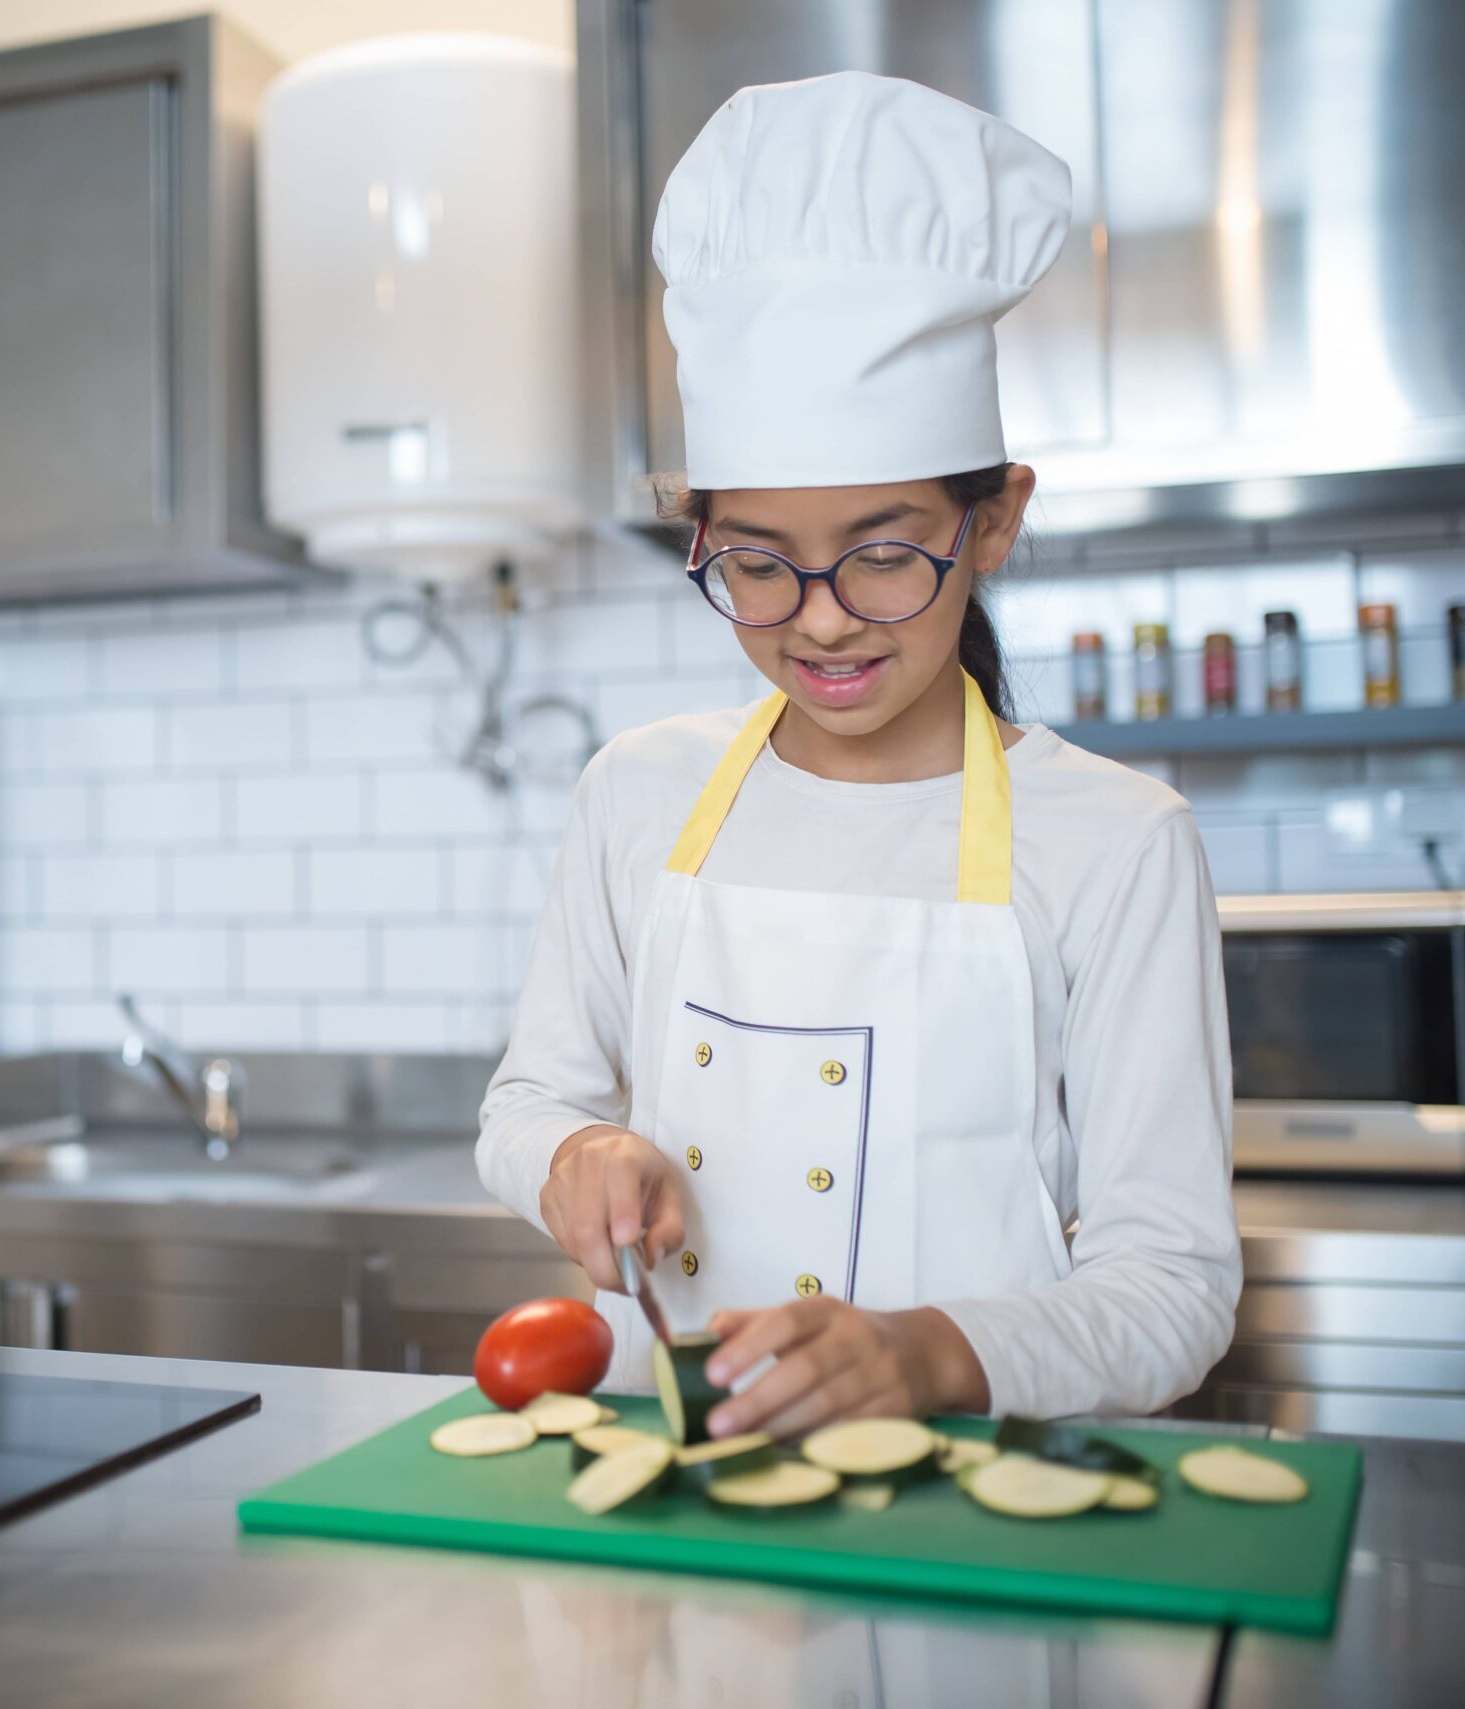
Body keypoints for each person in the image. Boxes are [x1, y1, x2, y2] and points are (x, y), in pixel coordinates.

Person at [476, 72, 1240, 1438]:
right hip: (696, 1503)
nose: (821, 618)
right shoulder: (638, 792)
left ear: (994, 520)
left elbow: (1174, 1280)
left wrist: (931, 1355)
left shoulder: (1117, 840)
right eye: (759, 562)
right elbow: (528, 1099)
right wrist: (574, 1151)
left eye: (884, 553)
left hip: (982, 1534)